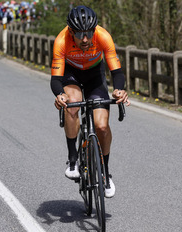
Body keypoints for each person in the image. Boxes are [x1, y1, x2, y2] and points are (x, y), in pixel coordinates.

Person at [50, 5, 130, 198]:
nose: (85, 39)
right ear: (71, 32)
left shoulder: (102, 36)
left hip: (95, 76)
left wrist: (119, 90)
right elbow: (55, 79)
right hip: (71, 75)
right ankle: (72, 158)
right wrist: (60, 94)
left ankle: (105, 172)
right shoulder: (62, 40)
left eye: (88, 33)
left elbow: (117, 72)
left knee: (102, 127)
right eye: (79, 34)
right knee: (72, 104)